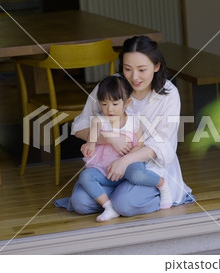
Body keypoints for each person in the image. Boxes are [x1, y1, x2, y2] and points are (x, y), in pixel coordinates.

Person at [55, 35, 193, 217]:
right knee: (80, 204)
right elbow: (79, 127)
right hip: (106, 167)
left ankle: (123, 199)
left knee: (125, 204)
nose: (134, 77)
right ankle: (116, 199)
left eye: (142, 70)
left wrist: (125, 161)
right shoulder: (110, 86)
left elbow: (162, 144)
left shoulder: (169, 95)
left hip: (145, 168)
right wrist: (109, 139)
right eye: (127, 69)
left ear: (157, 66)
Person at [77, 75, 172, 222]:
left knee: (137, 174)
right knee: (85, 177)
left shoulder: (134, 121)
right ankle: (108, 207)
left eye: (115, 104)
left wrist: (125, 161)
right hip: (104, 170)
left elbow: (139, 145)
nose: (109, 109)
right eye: (104, 104)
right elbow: (91, 140)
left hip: (127, 167)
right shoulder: (98, 121)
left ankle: (161, 183)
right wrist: (89, 146)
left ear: (127, 103)